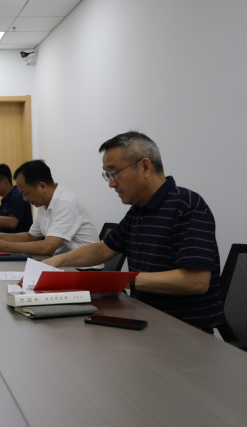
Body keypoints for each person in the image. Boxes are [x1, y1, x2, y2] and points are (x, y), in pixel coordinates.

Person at [43, 132, 224, 331]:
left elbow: (196, 281)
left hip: (182, 329)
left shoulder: (187, 205)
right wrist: (57, 262)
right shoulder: (138, 210)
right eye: (107, 175)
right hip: (143, 317)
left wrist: (122, 281)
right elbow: (103, 249)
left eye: (114, 173)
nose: (111, 183)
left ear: (145, 167)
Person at [0, 160, 99, 256]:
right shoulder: (44, 203)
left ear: (42, 187)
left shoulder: (66, 203)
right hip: (62, 264)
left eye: (25, 193)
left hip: (83, 269)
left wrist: (5, 246)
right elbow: (31, 236)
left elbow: (48, 247)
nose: (24, 199)